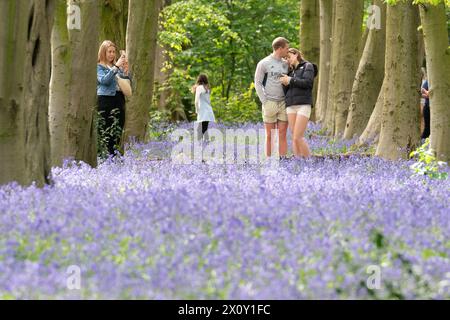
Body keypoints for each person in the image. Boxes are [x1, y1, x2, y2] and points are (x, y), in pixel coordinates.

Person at [254, 37, 290, 159]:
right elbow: (257, 83)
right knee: (270, 135)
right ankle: (269, 161)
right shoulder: (264, 63)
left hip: (283, 103)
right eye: (286, 48)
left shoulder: (286, 64)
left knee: (282, 134)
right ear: (279, 48)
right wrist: (264, 101)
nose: (288, 51)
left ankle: (283, 161)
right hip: (270, 103)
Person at [97, 40, 131, 156]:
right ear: (103, 53)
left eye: (113, 52)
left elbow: (127, 85)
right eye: (109, 52)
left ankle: (115, 158)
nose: (112, 54)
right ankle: (106, 158)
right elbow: (104, 81)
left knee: (118, 130)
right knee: (106, 130)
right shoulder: (99, 67)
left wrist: (126, 72)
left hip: (119, 100)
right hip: (105, 101)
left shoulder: (118, 67)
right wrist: (116, 67)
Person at [280, 48, 314, 158]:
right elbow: (286, 91)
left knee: (297, 136)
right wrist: (284, 82)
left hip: (303, 104)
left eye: (289, 57)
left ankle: (309, 161)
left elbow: (308, 83)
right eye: (285, 58)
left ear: (296, 54)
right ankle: (298, 162)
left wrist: (290, 80)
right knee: (294, 136)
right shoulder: (289, 72)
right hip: (291, 106)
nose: (288, 60)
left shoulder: (308, 66)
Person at [192, 74, 215, 141]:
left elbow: (196, 101)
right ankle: (205, 143)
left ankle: (200, 144)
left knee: (201, 128)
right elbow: (209, 101)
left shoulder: (199, 88)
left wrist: (197, 110)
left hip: (202, 110)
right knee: (205, 127)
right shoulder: (207, 89)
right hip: (208, 110)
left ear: (199, 80)